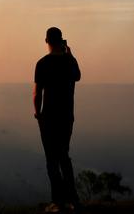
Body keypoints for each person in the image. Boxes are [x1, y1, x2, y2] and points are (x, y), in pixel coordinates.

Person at [33, 27, 81, 212]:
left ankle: (58, 202)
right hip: (67, 116)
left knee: (52, 160)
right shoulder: (70, 62)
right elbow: (78, 76)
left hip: (49, 117)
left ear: (46, 40)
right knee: (64, 156)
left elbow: (37, 93)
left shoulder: (42, 63)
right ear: (62, 41)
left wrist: (37, 113)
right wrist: (70, 54)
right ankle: (73, 200)